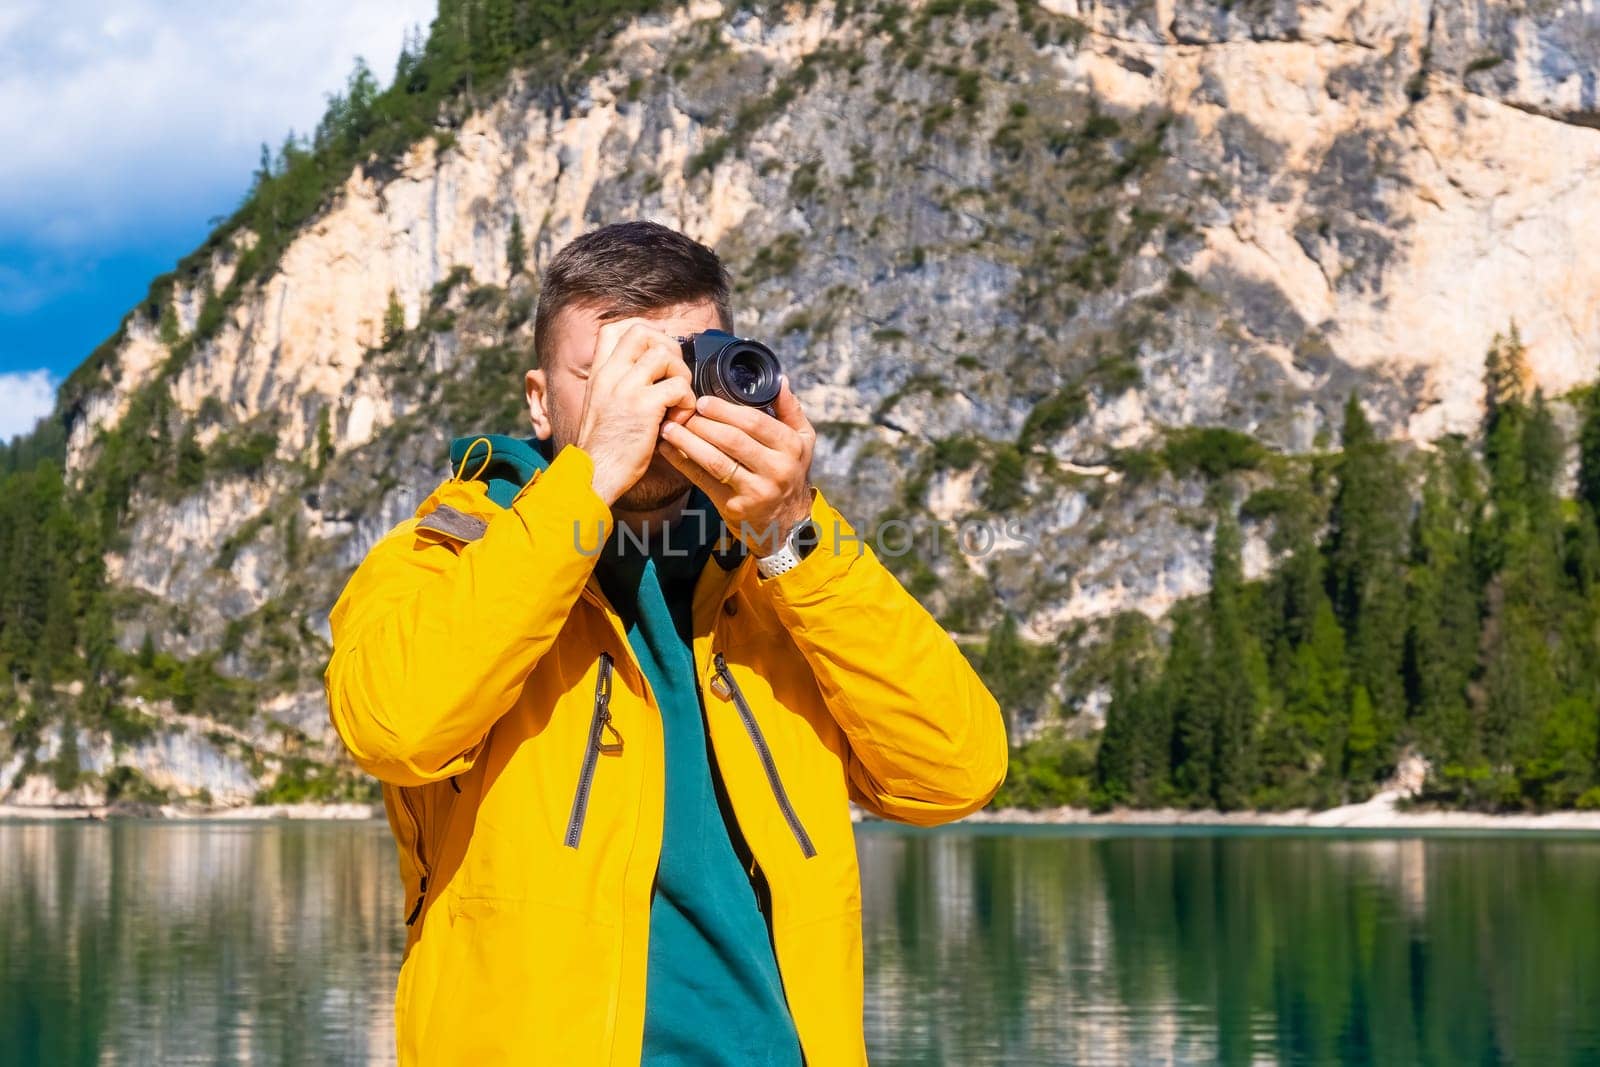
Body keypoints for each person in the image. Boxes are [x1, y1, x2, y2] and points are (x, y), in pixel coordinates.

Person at [323, 220, 1008, 1065]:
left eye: (675, 368)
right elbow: (393, 725)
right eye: (611, 374)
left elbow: (954, 775)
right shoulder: (442, 556)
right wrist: (587, 484)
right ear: (540, 400)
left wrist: (792, 530)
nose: (650, 400)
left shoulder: (780, 578)